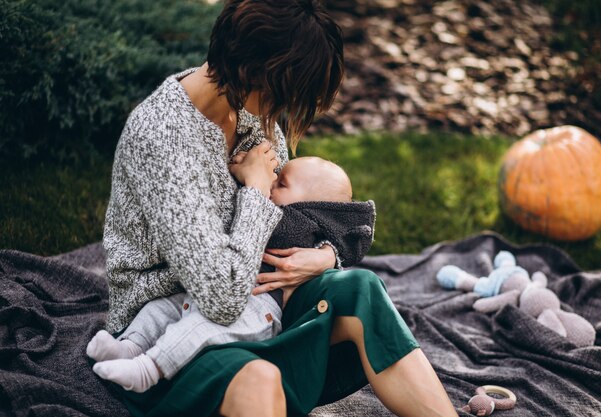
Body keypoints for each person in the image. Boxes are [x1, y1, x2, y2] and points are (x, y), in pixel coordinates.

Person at [100, 0, 458, 416]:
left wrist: (326, 256)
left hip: (262, 308)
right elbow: (220, 299)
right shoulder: (163, 137)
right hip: (166, 338)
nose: (283, 111)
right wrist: (254, 187)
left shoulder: (252, 112)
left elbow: (298, 214)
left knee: (361, 290)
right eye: (284, 94)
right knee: (259, 378)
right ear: (254, 72)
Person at [87, 157, 375, 393]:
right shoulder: (293, 214)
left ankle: (147, 370)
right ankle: (129, 346)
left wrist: (253, 181)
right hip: (216, 290)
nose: (272, 182)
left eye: (282, 182)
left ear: (313, 207)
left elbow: (356, 233)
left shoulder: (294, 224)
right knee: (161, 308)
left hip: (256, 309)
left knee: (197, 329)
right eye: (275, 176)